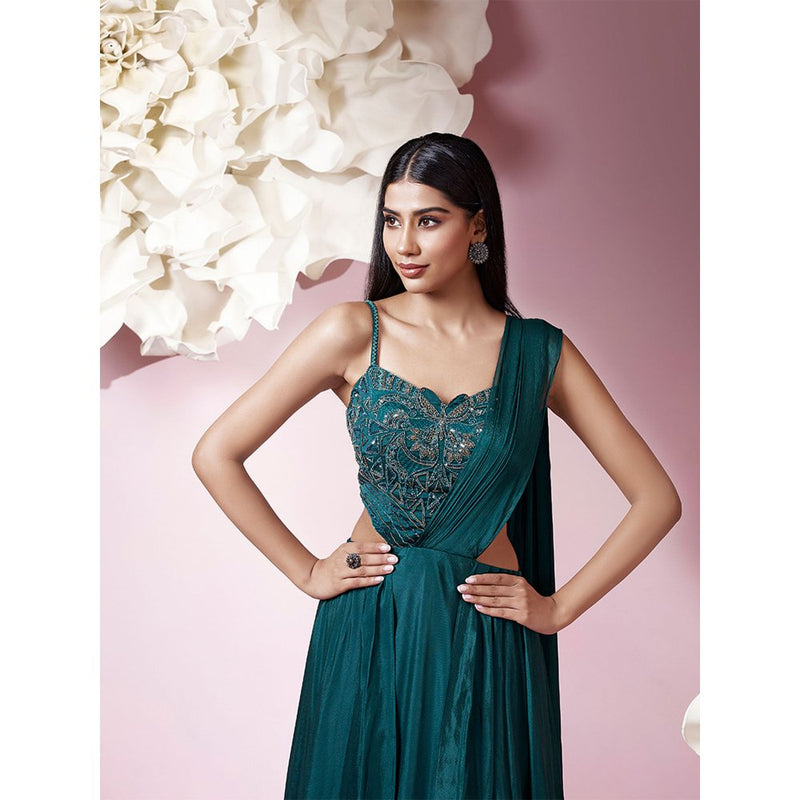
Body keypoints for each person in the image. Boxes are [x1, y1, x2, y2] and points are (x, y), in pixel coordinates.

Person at [192, 132, 682, 800]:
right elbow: (216, 453)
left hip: (484, 638)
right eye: (392, 221)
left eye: (429, 220)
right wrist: (305, 570)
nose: (405, 245)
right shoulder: (353, 331)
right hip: (373, 628)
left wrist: (559, 607)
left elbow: (657, 499)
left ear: (478, 225)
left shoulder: (538, 353)